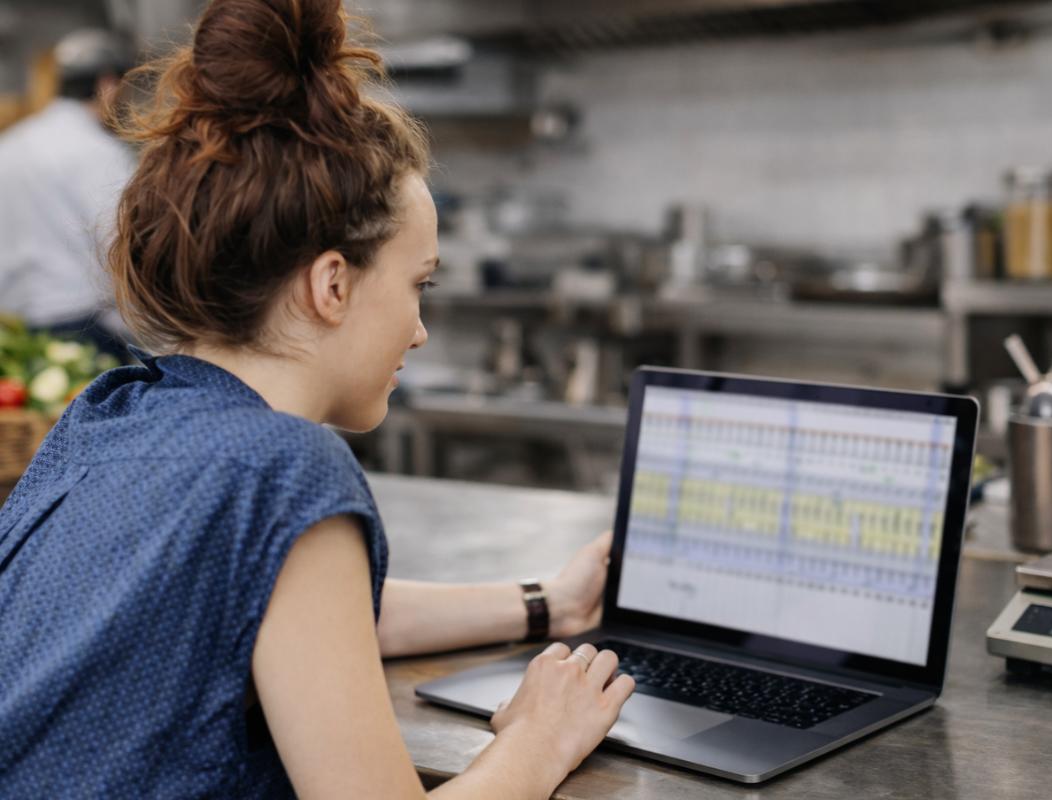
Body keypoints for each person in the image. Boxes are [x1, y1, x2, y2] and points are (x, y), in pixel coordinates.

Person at [0, 1, 634, 797]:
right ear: (332, 284)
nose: (421, 331)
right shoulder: (288, 468)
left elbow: (293, 622)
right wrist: (541, 739)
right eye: (417, 285)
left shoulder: (116, 410)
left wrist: (551, 605)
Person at [0, 29, 137, 361]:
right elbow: (120, 242)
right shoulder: (99, 151)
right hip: (86, 330)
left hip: (17, 330)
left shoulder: (10, 145)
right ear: (107, 84)